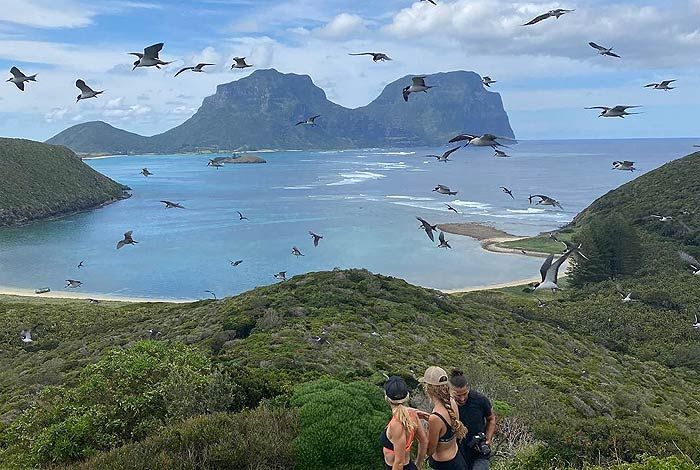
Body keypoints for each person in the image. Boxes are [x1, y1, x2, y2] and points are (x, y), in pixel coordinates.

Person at [418, 366, 468, 470]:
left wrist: (419, 432)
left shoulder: (435, 418)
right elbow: (449, 427)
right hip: (458, 459)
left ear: (428, 388)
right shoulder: (452, 402)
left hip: (444, 465)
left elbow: (430, 451)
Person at [449, 369, 496, 470]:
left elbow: (491, 419)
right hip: (457, 452)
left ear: (468, 389)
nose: (462, 398)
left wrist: (488, 440)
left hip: (479, 450)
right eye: (458, 395)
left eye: (464, 394)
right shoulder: (446, 405)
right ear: (450, 391)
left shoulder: (480, 400)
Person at [381, 376, 428, 470]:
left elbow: (399, 462)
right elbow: (424, 441)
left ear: (386, 397)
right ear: (407, 396)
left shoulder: (396, 424)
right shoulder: (412, 414)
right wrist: (418, 465)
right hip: (409, 466)